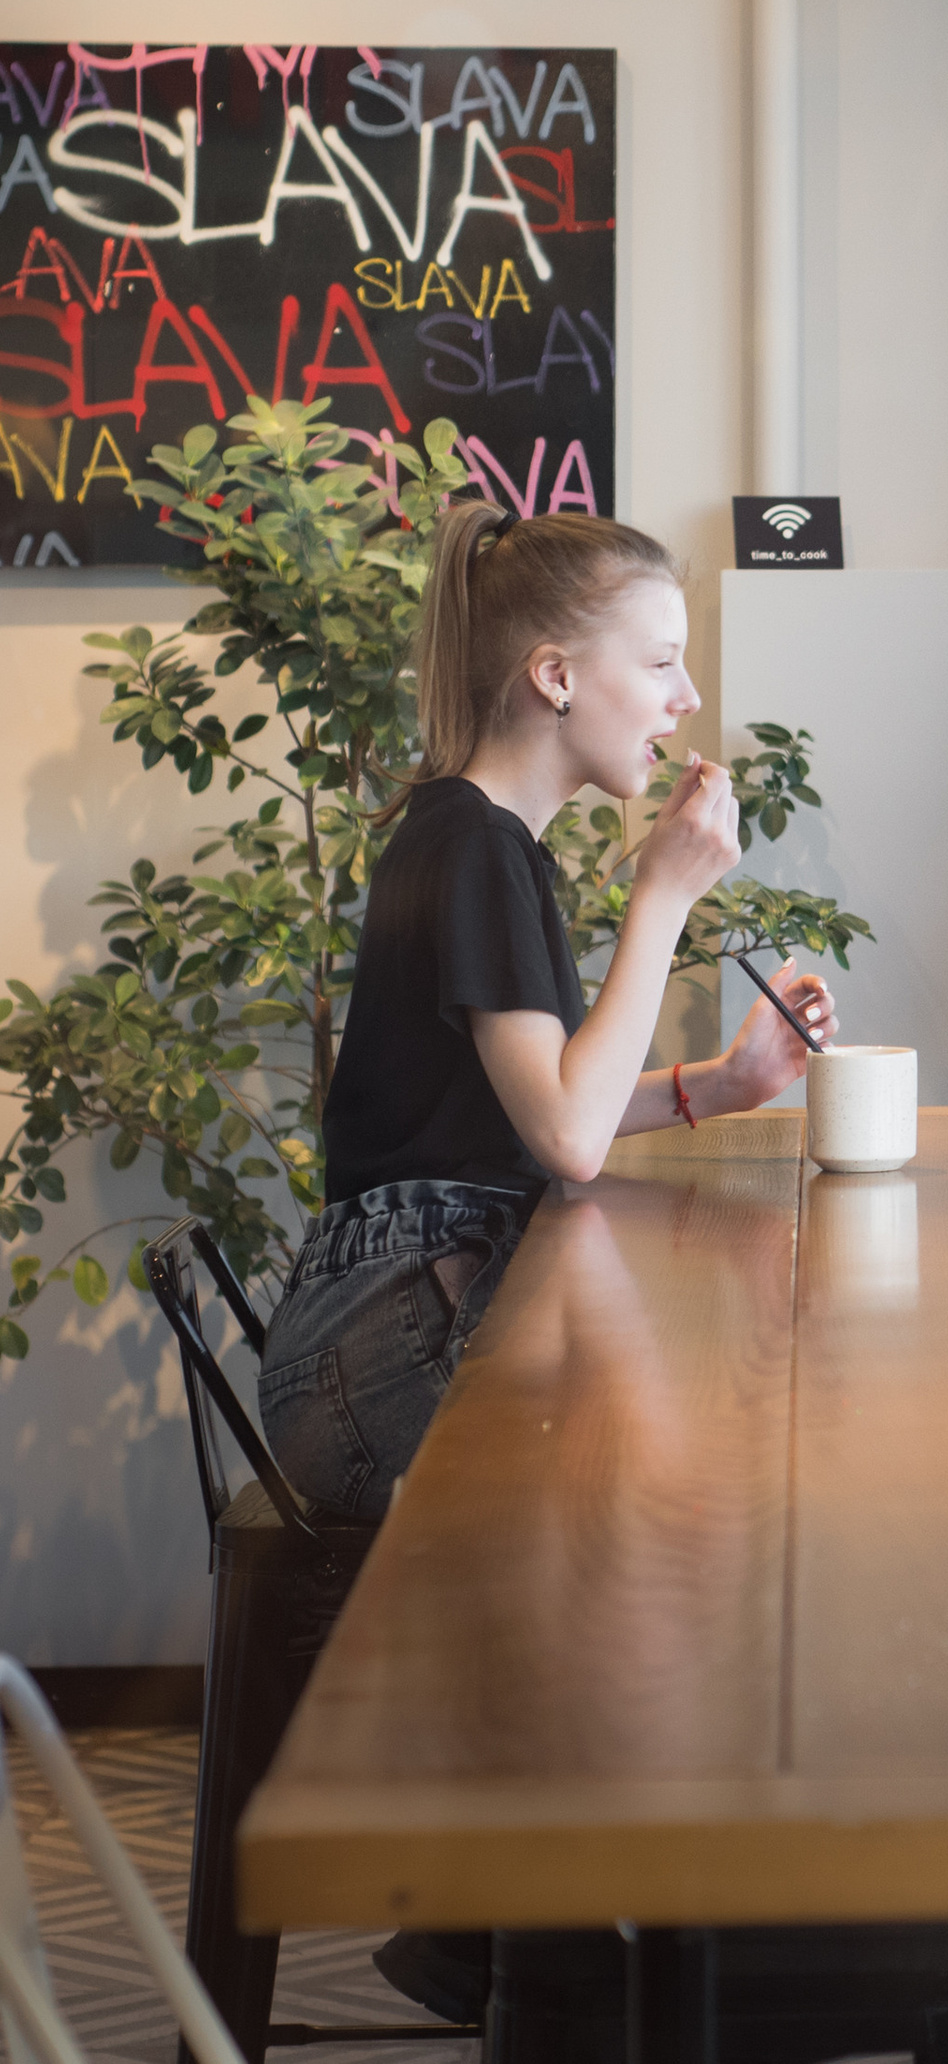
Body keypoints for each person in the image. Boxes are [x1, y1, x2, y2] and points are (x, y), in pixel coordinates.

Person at [259, 500, 837, 1521]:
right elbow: (570, 1137)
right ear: (556, 676)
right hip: (371, 1352)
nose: (688, 698)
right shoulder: (475, 844)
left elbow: (547, 1106)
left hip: (379, 1331)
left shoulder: (484, 839)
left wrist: (727, 1083)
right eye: (661, 663)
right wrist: (664, 893)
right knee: (700, 1466)